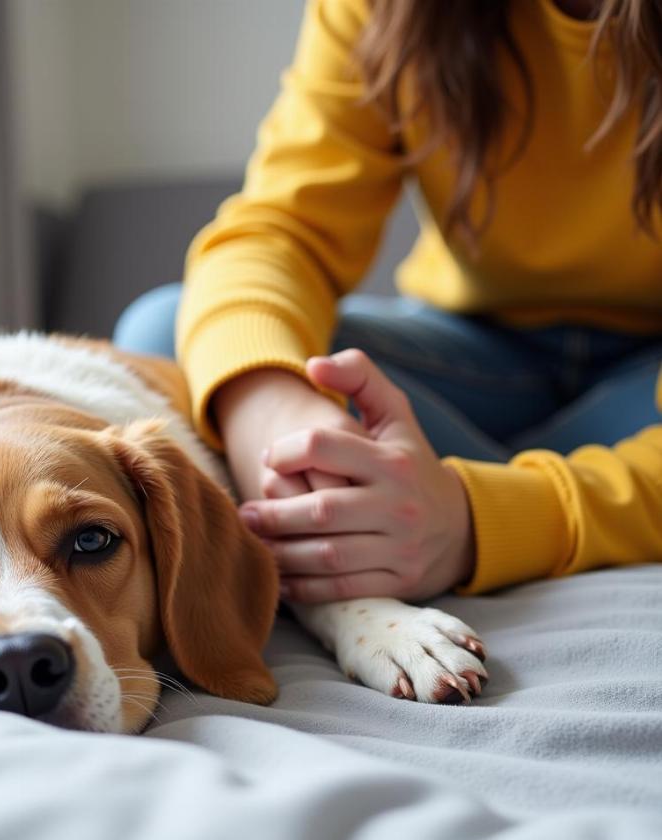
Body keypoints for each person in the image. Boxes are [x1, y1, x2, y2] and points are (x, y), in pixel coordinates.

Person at [113, 0, 662, 604]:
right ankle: (540, 497)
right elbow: (283, 230)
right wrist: (275, 411)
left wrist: (472, 521)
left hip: (648, 380)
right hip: (477, 353)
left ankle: (483, 508)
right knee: (163, 330)